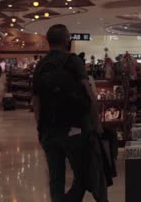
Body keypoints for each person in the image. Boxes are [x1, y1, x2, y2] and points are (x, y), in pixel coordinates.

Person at [33, 24, 106, 202]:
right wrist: (96, 125)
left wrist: (40, 128)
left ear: (48, 41)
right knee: (81, 175)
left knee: (56, 179)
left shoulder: (41, 65)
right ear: (67, 40)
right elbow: (88, 94)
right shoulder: (73, 61)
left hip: (49, 131)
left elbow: (36, 101)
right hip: (75, 129)